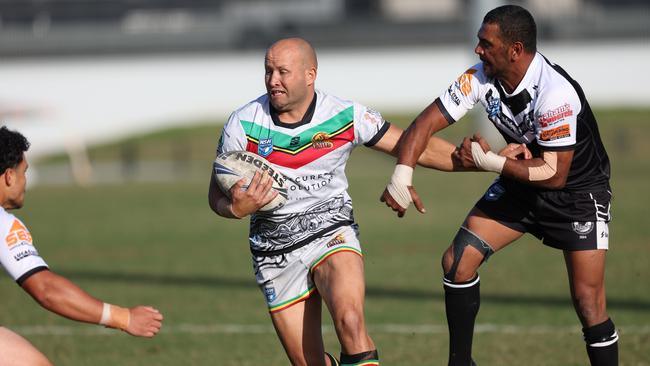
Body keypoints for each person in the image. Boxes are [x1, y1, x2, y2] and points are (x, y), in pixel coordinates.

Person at [207, 37, 526, 366]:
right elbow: (215, 192)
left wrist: (483, 161)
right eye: (268, 71)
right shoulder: (243, 123)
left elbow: (413, 145)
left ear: (309, 74)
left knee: (351, 322)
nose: (273, 80)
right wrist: (234, 209)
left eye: (283, 72)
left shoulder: (345, 116)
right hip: (274, 252)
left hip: (331, 232)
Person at [381, 5, 617, 366]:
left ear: (515, 50)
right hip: (520, 184)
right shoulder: (478, 77)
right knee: (457, 262)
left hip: (578, 195)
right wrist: (403, 173)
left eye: (485, 44)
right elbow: (424, 123)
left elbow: (555, 174)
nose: (477, 50)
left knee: (589, 303)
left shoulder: (554, 93)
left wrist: (490, 161)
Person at [0, 126, 164, 366]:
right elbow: (46, 289)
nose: (25, 182)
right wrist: (124, 317)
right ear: (8, 176)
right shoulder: (3, 224)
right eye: (24, 172)